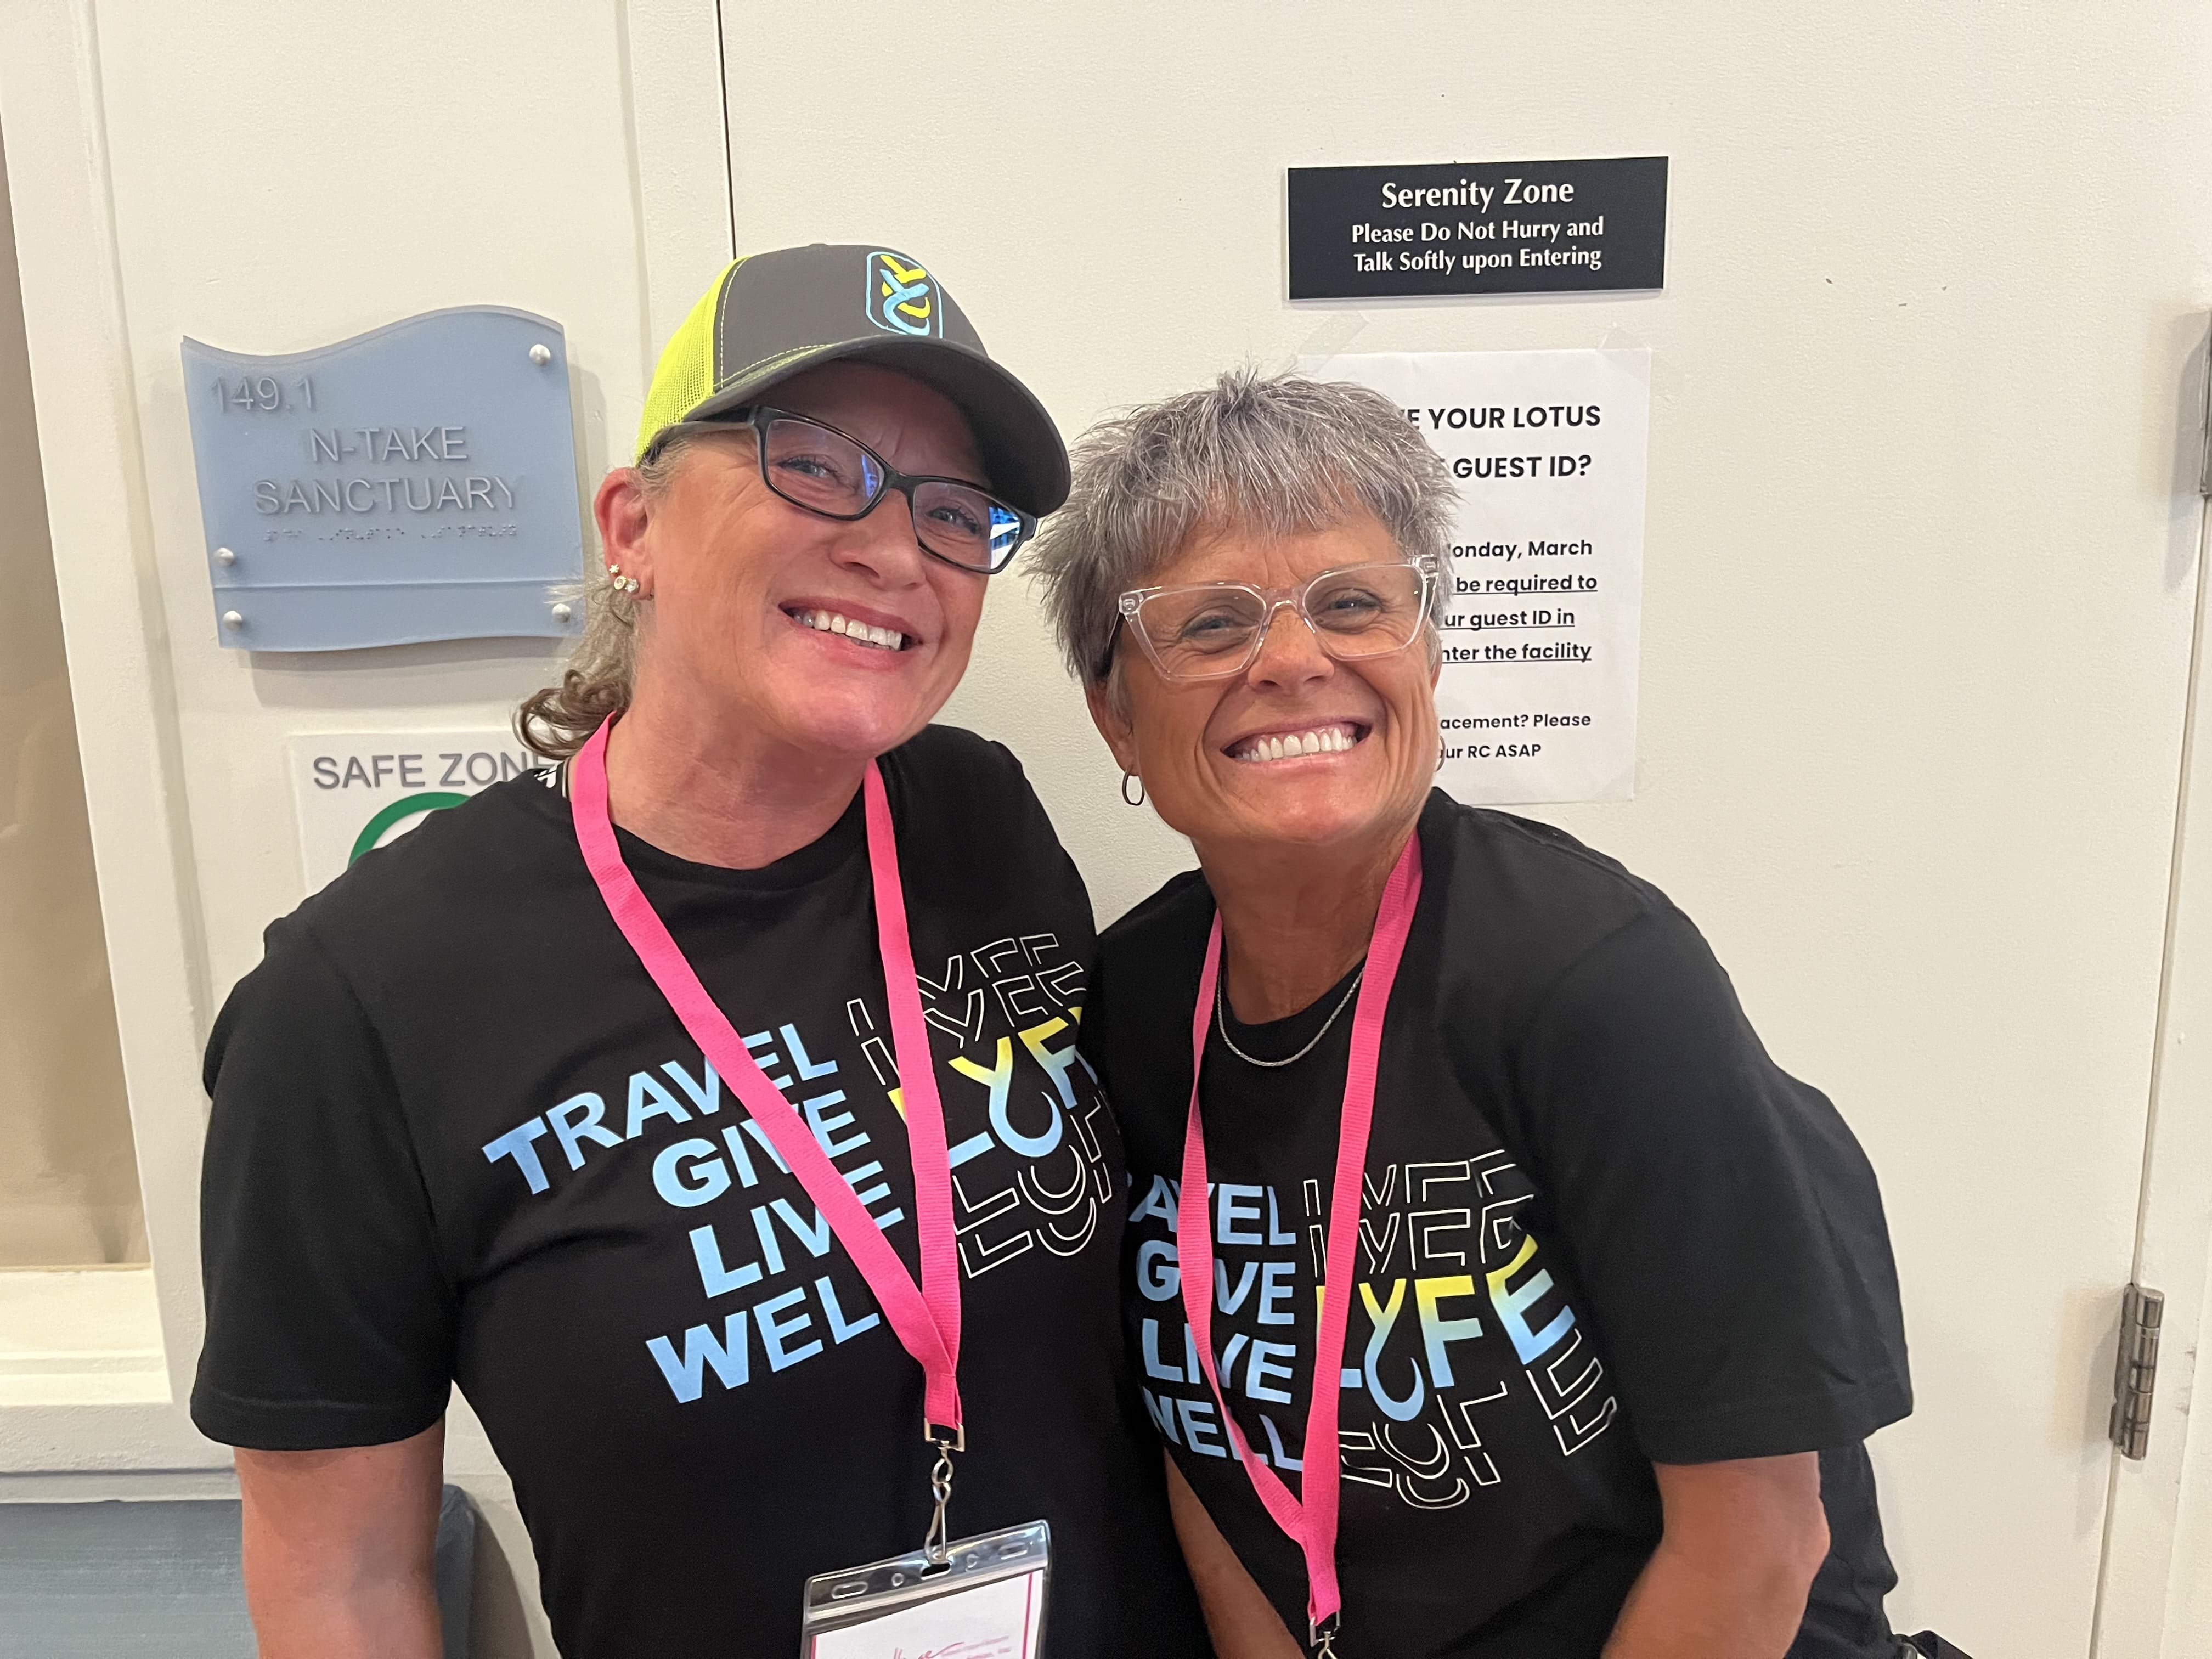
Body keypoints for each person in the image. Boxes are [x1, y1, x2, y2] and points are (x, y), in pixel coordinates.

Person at [192, 245, 1207, 1659]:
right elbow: (339, 1582)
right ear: (634, 526)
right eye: (815, 464)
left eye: (953, 508)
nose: (895, 547)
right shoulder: (357, 999)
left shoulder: (978, 819)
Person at [1028, 367, 1913, 1659]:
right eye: (1211, 625)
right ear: (1115, 714)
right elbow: (1201, 1447)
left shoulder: (1596, 981)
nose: (1294, 660)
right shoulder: (1138, 1003)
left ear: (1429, 653)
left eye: (1353, 604)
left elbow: (1762, 1537)